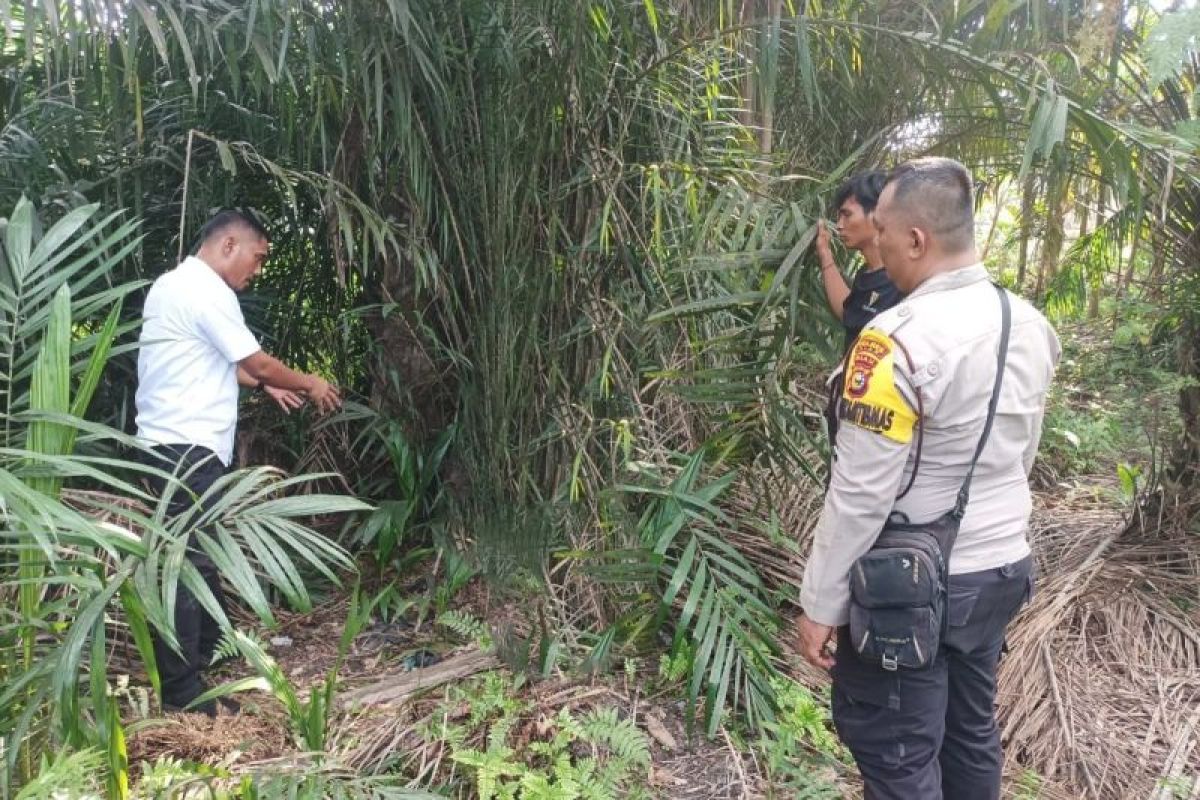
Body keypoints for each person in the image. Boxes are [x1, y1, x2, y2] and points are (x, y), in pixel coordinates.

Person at [796, 158, 1060, 799]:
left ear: (916, 240)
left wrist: (820, 602)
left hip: (912, 589)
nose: (876, 242)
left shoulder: (893, 342)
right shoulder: (1028, 324)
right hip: (1001, 569)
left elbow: (861, 492)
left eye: (883, 229)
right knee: (969, 735)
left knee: (899, 754)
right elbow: (1018, 455)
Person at [135, 209, 342, 715]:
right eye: (258, 256)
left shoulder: (171, 285)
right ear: (229, 244)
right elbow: (253, 361)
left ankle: (208, 654)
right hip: (187, 453)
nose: (258, 269)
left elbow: (217, 361)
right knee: (182, 569)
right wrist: (308, 381)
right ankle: (184, 696)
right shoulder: (209, 291)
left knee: (194, 559)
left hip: (166, 449)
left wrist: (267, 384)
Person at [815, 171, 904, 349]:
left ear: (878, 214)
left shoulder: (902, 282)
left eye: (847, 215)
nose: (839, 225)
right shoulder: (866, 272)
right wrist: (825, 254)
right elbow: (848, 314)